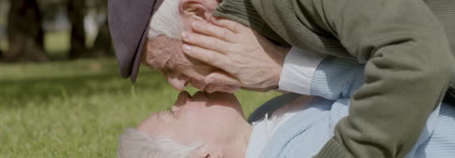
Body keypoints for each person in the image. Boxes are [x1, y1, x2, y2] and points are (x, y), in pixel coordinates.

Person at [108, 0, 455, 158]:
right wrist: (281, 68)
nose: (177, 86)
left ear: (198, 15)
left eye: (170, 65)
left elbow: (417, 62)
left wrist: (282, 68)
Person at [117, 62, 455, 158]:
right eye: (173, 113)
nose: (181, 98)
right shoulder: (304, 153)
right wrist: (283, 68)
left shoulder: (266, 121)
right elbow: (396, 91)